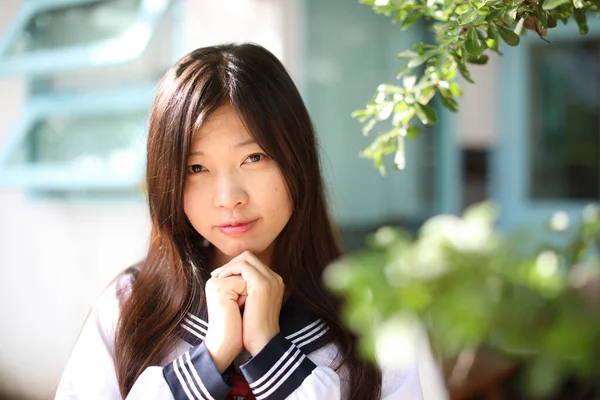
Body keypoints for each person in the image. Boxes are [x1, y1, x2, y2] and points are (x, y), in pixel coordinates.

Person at [55, 43, 423, 400]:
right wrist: (208, 359)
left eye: (254, 157)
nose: (229, 197)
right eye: (196, 168)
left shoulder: (372, 310)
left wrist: (270, 353)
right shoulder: (131, 306)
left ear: (297, 158)